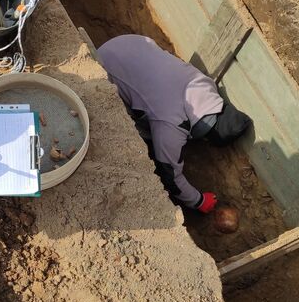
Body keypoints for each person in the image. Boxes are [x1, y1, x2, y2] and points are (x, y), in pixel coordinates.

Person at [97, 34, 252, 215]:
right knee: (139, 133)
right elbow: (170, 176)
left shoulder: (205, 83)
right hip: (104, 65)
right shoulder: (169, 125)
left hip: (134, 42)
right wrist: (199, 201)